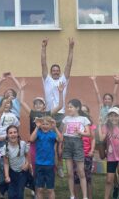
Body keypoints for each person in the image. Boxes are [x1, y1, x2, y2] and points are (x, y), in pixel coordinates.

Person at [41, 37, 74, 177]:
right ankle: (49, 165)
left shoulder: (63, 80)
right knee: (48, 142)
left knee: (61, 142)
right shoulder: (46, 80)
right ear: (50, 72)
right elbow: (43, 63)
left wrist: (71, 48)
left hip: (60, 114)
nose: (55, 72)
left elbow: (69, 65)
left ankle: (60, 166)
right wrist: (43, 47)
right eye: (53, 70)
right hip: (49, 115)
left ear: (59, 72)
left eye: (57, 70)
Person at [90, 75, 119, 198]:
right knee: (109, 161)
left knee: (118, 165)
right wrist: (94, 81)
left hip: (112, 136)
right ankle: (115, 185)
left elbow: (115, 95)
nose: (107, 100)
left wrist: (116, 83)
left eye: (109, 99)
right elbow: (97, 93)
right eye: (106, 99)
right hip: (102, 136)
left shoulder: (113, 109)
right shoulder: (101, 107)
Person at [20, 79, 64, 174]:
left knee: (49, 159)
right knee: (35, 160)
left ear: (44, 106)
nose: (38, 105)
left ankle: (51, 175)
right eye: (36, 104)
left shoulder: (48, 113)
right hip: (35, 140)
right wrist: (22, 89)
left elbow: (60, 106)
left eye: (40, 103)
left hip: (47, 140)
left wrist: (60, 92)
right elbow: (22, 102)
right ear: (34, 106)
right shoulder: (32, 113)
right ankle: (36, 181)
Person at [62, 99, 91, 199]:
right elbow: (63, 133)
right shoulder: (66, 118)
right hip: (67, 144)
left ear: (77, 108)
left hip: (78, 144)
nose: (69, 109)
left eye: (71, 107)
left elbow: (88, 133)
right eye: (68, 107)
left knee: (81, 172)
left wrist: (80, 132)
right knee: (70, 173)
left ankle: (85, 196)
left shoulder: (83, 119)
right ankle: (72, 195)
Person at [29, 116, 63, 199]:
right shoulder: (38, 133)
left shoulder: (52, 134)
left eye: (47, 124)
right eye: (43, 124)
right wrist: (37, 127)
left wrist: (55, 128)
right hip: (39, 164)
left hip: (50, 165)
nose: (45, 126)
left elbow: (60, 139)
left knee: (50, 189)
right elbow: (31, 139)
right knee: (39, 189)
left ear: (50, 125)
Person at [1, 125, 30, 199]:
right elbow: (6, 163)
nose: (13, 134)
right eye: (10, 133)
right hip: (12, 172)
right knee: (11, 194)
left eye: (15, 132)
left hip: (22, 172)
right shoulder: (5, 148)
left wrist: (27, 164)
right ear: (7, 135)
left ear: (17, 134)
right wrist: (7, 176)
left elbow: (27, 156)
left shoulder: (23, 144)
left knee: (20, 194)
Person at [74, 104, 96, 199]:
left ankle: (89, 197)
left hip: (87, 154)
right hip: (76, 154)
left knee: (88, 178)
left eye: (85, 111)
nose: (83, 112)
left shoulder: (90, 126)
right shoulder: (75, 124)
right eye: (81, 110)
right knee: (76, 177)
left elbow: (93, 138)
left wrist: (92, 150)